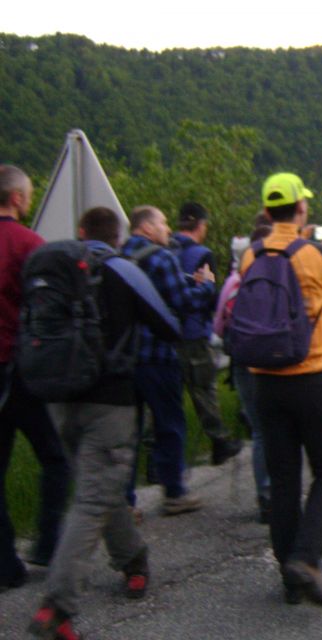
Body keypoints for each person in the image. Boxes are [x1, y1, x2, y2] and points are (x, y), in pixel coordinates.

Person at [26, 207, 181, 640]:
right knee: (93, 498)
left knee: (99, 486)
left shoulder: (54, 268)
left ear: (80, 232)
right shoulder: (122, 269)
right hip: (109, 402)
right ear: (118, 238)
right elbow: (169, 326)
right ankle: (58, 604)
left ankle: (133, 560)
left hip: (58, 398)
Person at [239, 172, 322, 605]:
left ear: (267, 212)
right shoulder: (316, 253)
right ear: (302, 208)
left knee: (284, 477)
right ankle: (306, 558)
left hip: (265, 380)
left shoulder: (250, 256)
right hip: (312, 376)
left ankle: (289, 576)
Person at [0, 164, 69, 591]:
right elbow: (48, 309)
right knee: (55, 458)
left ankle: (6, 565)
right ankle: (47, 541)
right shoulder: (30, 245)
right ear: (20, 199)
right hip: (20, 370)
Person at [121, 205, 215, 516]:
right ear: (146, 227)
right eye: (161, 223)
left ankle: (125, 501)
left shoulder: (117, 255)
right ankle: (174, 492)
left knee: (129, 431)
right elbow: (184, 303)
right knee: (170, 423)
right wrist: (207, 286)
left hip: (124, 356)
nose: (167, 229)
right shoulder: (162, 258)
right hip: (158, 354)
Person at [171, 202, 242, 466]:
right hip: (193, 332)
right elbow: (209, 291)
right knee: (204, 389)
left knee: (169, 398)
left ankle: (158, 460)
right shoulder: (202, 255)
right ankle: (220, 441)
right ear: (201, 225)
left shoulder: (164, 250)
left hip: (165, 333)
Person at [214, 223, 273, 523]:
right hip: (272, 362)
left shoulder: (234, 280)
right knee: (278, 428)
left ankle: (265, 496)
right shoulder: (279, 276)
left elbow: (218, 327)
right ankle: (282, 493)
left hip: (241, 361)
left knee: (259, 430)